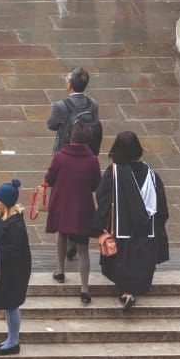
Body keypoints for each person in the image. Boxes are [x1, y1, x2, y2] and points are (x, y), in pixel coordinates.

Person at [91, 132, 169, 310]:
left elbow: (103, 197)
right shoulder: (151, 174)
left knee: (122, 263)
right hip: (146, 232)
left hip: (122, 229)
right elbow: (161, 207)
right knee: (139, 262)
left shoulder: (114, 173)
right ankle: (132, 291)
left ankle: (127, 291)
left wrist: (99, 225)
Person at [47, 66, 101, 261]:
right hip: (86, 157)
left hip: (65, 157)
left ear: (70, 85)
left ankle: (66, 240)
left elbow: (51, 124)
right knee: (80, 199)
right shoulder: (93, 104)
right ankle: (74, 241)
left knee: (64, 199)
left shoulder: (61, 106)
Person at [44, 122, 102, 303]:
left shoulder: (60, 157)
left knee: (62, 236)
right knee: (83, 250)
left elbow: (49, 179)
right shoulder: (92, 160)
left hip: (62, 204)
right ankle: (84, 289)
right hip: (83, 208)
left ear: (71, 138)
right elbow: (96, 184)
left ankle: (60, 271)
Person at [0, 180, 32, 356]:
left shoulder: (15, 225)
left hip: (13, 272)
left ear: (6, 202)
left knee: (11, 305)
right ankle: (11, 340)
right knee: (9, 305)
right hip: (1, 269)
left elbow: (13, 252)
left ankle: (13, 342)